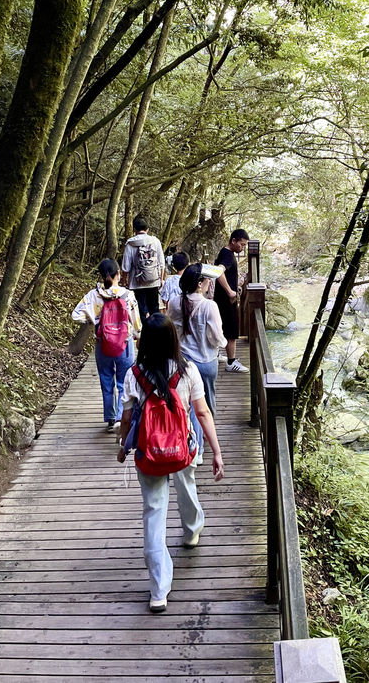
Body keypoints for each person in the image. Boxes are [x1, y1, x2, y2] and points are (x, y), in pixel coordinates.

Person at [117, 313, 223, 613]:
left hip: (148, 452)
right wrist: (216, 452)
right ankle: (192, 530)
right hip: (182, 448)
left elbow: (127, 418)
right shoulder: (187, 371)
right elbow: (202, 414)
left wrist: (124, 447)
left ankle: (158, 591)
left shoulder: (133, 374)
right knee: (186, 483)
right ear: (173, 339)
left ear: (145, 342)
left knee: (153, 511)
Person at [72, 259, 141, 432]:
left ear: (101, 276)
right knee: (123, 381)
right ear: (118, 274)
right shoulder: (128, 295)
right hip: (124, 345)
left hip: (102, 343)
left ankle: (110, 418)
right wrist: (136, 334)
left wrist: (93, 320)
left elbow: (75, 315)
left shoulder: (93, 296)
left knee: (106, 379)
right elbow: (137, 323)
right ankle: (120, 417)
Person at [168, 263, 227, 458]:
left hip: (183, 361)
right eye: (208, 280)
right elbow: (216, 337)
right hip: (206, 360)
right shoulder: (210, 306)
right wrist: (224, 343)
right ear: (200, 283)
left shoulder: (174, 302)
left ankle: (194, 441)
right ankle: (200, 447)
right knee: (205, 404)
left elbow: (173, 330)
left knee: (188, 403)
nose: (210, 283)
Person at [213, 228, 250, 372]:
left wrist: (234, 287)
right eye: (241, 244)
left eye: (245, 246)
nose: (242, 248)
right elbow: (219, 272)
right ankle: (231, 362)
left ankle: (217, 355)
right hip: (226, 301)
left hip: (220, 299)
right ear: (233, 241)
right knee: (232, 331)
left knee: (221, 327)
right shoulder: (228, 256)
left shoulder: (224, 252)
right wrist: (229, 291)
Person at [121, 215, 165, 325]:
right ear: (147, 230)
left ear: (134, 229)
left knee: (140, 310)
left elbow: (126, 266)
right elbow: (161, 263)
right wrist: (161, 279)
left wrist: (124, 280)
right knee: (154, 308)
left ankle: (143, 334)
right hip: (153, 281)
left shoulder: (130, 244)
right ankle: (156, 333)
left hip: (136, 282)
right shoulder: (155, 241)